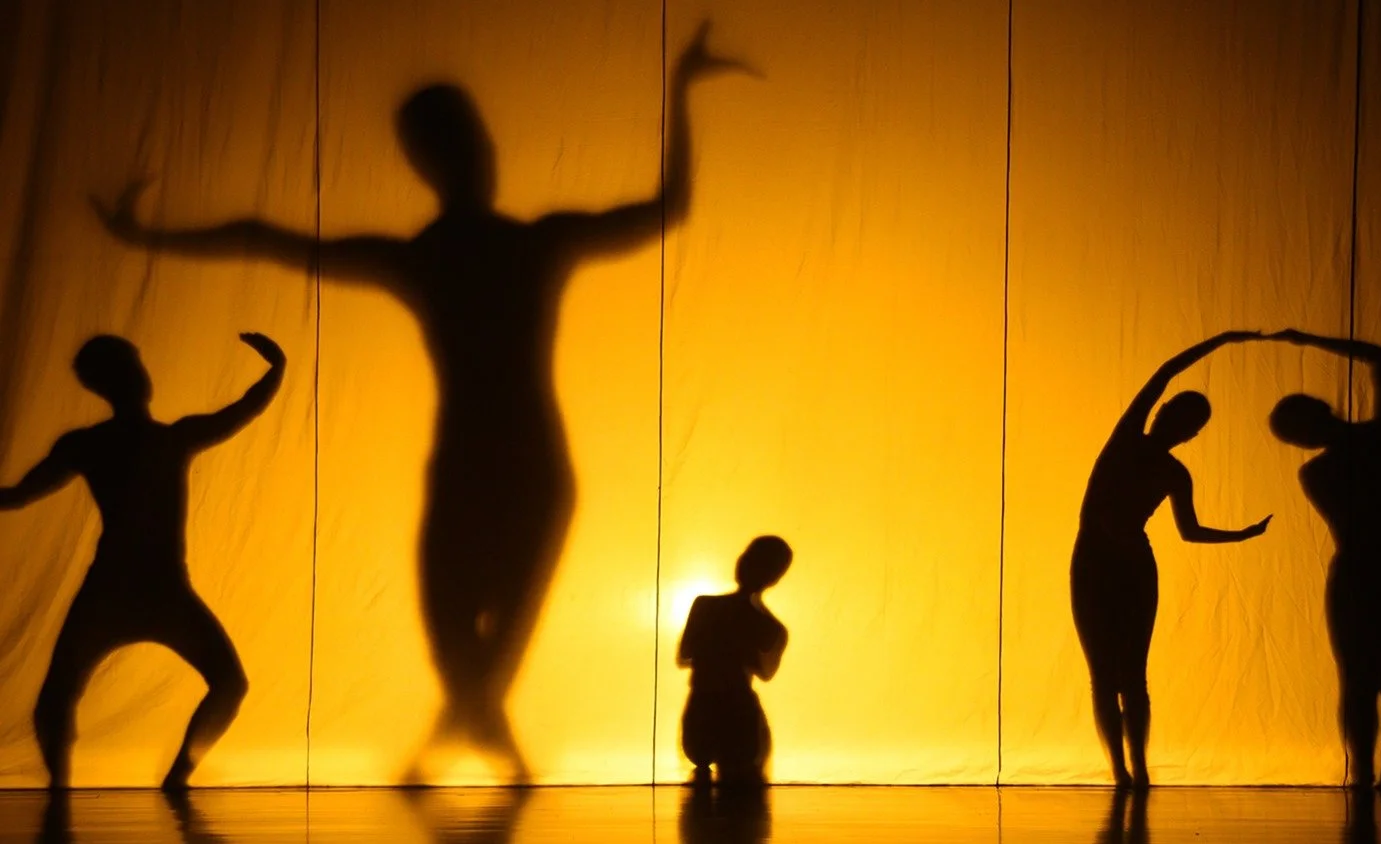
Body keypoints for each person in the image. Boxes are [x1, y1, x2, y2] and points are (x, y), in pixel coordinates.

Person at [91, 23, 753, 782]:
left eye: (477, 144)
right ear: (437, 163)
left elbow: (264, 238)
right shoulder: (478, 252)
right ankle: (481, 744)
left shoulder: (478, 251)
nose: (481, 157)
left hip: (513, 471)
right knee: (457, 638)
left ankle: (468, 747)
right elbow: (266, 238)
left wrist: (681, 86)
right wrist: (146, 236)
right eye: (466, 146)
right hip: (496, 470)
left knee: (470, 642)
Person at [0, 332, 284, 790]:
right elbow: (18, 495)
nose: (140, 374)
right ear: (110, 382)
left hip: (146, 591)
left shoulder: (153, 440)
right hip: (130, 592)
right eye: (130, 367)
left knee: (226, 683)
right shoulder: (136, 442)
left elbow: (242, 411)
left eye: (135, 365)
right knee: (58, 696)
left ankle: (163, 779)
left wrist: (276, 370)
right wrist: (275, 369)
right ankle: (72, 789)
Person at [1072, 330, 1272, 789]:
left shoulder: (1171, 471)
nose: (1173, 422)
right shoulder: (1127, 439)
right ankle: (1122, 769)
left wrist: (1241, 534)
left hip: (1130, 566)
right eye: (1173, 412)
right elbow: (1165, 372)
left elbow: (1190, 531)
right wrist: (1221, 341)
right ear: (1161, 412)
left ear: (1190, 435)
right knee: (1105, 673)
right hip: (1097, 562)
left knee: (1130, 674)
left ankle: (1136, 768)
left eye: (1186, 422)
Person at [1268, 329, 1381, 790]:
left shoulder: (1323, 468)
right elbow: (1380, 359)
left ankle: (1377, 774)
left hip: (1375, 569)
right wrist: (1306, 341)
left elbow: (1380, 360)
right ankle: (1375, 774)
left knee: (1376, 679)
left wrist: (1305, 339)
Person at [677, 536, 792, 789]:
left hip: (718, 709)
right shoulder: (769, 626)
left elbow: (686, 653)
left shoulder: (708, 607)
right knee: (727, 769)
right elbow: (766, 672)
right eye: (748, 558)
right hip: (721, 710)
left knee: (720, 768)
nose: (745, 565)